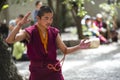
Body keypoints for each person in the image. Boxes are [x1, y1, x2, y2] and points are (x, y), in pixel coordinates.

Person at [6, 6, 90, 80]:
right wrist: (19, 25)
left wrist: (79, 46)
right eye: (46, 18)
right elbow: (9, 40)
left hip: (54, 70)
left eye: (51, 18)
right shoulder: (29, 32)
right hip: (37, 72)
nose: (49, 21)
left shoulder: (54, 32)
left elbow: (65, 50)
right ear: (38, 18)